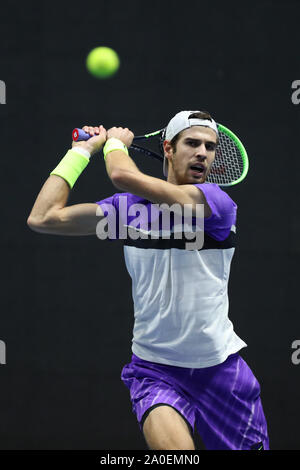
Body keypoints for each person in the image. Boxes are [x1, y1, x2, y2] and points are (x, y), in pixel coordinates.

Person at [27, 110, 269, 450]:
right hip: (156, 370)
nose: (203, 152)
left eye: (210, 147)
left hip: (220, 373)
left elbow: (122, 176)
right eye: (193, 143)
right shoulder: (128, 213)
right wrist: (81, 151)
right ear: (168, 148)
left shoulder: (215, 204)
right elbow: (43, 218)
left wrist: (113, 144)